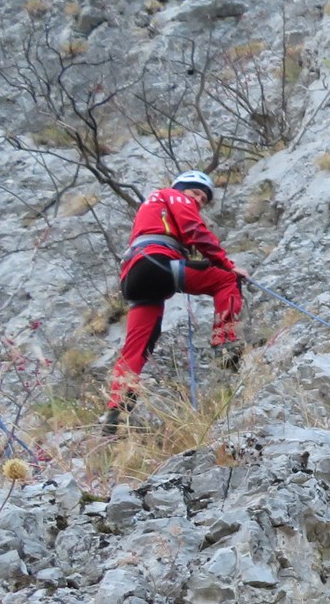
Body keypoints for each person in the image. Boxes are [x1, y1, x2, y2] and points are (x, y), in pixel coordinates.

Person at [103, 170, 244, 434]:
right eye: (196, 193)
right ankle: (225, 345)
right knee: (226, 280)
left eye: (204, 198)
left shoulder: (154, 208)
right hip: (156, 262)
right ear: (182, 188)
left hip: (134, 277)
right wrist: (228, 265)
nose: (199, 200)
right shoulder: (172, 195)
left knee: (138, 346)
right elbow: (194, 230)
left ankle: (116, 414)